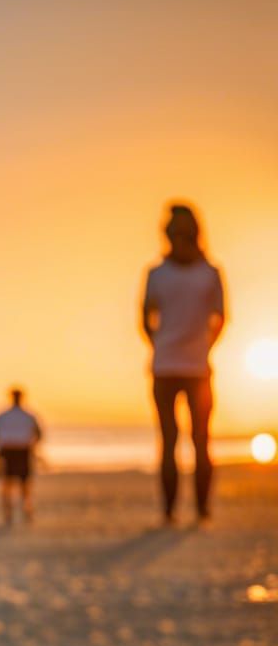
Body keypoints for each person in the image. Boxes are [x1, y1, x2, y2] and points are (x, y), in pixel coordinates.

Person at [141, 203, 225, 526]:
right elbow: (220, 319)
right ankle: (176, 509)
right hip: (174, 366)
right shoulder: (162, 273)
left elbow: (146, 319)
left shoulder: (205, 273)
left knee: (193, 440)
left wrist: (167, 343)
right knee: (178, 441)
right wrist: (166, 344)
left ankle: (192, 508)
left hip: (188, 367)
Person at [0, 387, 42, 525]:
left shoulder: (3, 416)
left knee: (10, 484)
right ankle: (23, 512)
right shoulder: (29, 416)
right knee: (22, 485)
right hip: (21, 450)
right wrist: (34, 447)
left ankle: (11, 514)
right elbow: (39, 434)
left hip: (10, 451)